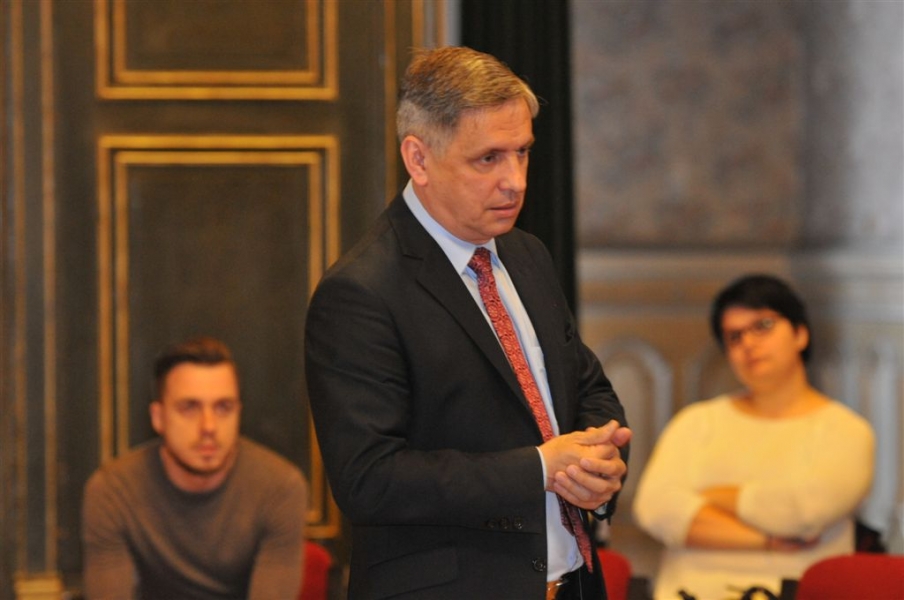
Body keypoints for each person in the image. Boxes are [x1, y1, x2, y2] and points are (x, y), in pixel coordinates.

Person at [304, 46, 632, 600]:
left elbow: (586, 387)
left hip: (573, 584)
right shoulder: (360, 292)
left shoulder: (527, 255)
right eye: (488, 159)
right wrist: (539, 469)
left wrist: (600, 459)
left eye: (522, 153)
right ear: (419, 159)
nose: (515, 181)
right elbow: (369, 479)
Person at [633, 274, 875, 600]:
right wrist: (767, 542)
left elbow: (805, 512)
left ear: (800, 333)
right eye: (734, 337)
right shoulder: (696, 422)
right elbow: (655, 509)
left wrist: (716, 496)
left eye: (763, 326)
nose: (748, 343)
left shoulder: (846, 430)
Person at [81, 336, 308, 600]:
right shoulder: (112, 490)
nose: (209, 426)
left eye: (223, 408)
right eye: (189, 408)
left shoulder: (280, 487)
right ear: (158, 417)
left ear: (239, 413)